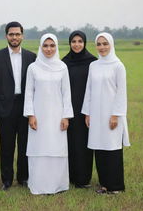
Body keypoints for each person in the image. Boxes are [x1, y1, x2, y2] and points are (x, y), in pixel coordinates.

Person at [23, 33, 74, 195]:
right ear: (40, 47)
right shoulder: (33, 67)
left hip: (57, 116)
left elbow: (67, 93)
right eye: (45, 45)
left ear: (56, 47)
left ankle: (58, 185)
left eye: (52, 46)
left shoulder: (62, 67)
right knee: (39, 147)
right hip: (38, 116)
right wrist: (31, 114)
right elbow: (29, 93)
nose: (49, 49)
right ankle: (39, 185)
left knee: (56, 147)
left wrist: (66, 116)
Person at [0, 22, 36, 190]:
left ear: (22, 35)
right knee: (7, 146)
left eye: (17, 34)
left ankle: (23, 178)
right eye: (11, 34)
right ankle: (7, 180)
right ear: (6, 36)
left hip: (25, 108)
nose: (14, 37)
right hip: (4, 109)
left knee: (25, 144)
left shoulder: (32, 57)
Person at [82, 32, 130, 194]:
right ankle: (104, 185)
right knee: (99, 149)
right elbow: (88, 90)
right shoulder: (93, 65)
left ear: (111, 45)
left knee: (113, 149)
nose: (102, 47)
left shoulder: (118, 66)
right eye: (99, 44)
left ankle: (116, 186)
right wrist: (87, 113)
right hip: (96, 114)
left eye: (105, 44)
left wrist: (116, 114)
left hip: (111, 115)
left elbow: (121, 93)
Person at [62, 31, 97, 188]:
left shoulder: (93, 63)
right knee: (70, 143)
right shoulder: (63, 63)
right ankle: (70, 177)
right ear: (69, 43)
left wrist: (90, 110)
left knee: (84, 143)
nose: (76, 44)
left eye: (80, 41)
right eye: (73, 41)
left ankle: (83, 179)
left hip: (87, 110)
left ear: (85, 43)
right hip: (68, 109)